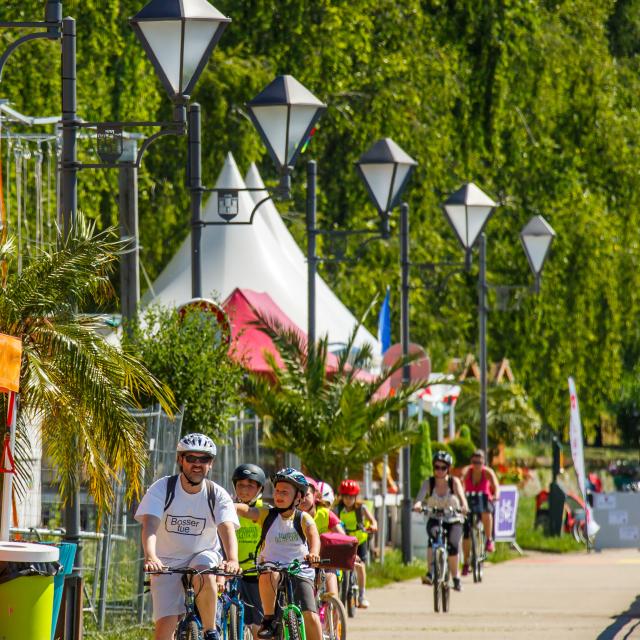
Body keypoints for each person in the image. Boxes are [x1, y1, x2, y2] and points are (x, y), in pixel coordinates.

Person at [136, 433, 241, 640]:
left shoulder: (216, 494)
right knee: (164, 630)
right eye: (191, 458)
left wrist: (233, 559)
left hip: (203, 555)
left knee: (204, 572)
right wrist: (151, 556)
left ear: (210, 464)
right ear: (180, 460)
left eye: (204, 459)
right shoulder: (163, 488)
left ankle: (210, 631)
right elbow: (150, 525)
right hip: (166, 562)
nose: (197, 464)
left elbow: (226, 527)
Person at [234, 468, 323, 640]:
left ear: (298, 497)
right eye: (276, 491)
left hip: (299, 569)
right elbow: (246, 510)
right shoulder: (268, 514)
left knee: (310, 615)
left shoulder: (303, 518)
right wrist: (228, 505)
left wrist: (313, 553)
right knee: (268, 574)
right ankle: (268, 619)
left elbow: (314, 536)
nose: (278, 495)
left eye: (285, 492)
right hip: (272, 567)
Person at [413, 451, 468, 592]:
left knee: (453, 544)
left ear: (448, 468)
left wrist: (464, 507)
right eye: (437, 467)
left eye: (443, 467)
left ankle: (456, 577)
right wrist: (418, 505)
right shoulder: (429, 483)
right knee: (433, 537)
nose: (439, 470)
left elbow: (462, 497)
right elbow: (419, 497)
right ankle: (431, 573)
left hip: (453, 518)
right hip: (435, 518)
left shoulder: (453, 482)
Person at [232, 463, 268, 639]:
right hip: (234, 571)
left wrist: (231, 507)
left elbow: (249, 512)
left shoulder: (265, 509)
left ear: (260, 488)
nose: (244, 490)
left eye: (250, 486)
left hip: (257, 574)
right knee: (236, 617)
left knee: (260, 623)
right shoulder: (228, 510)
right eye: (240, 485)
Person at [334, 479, 378, 608]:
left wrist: (373, 526)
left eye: (351, 497)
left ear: (355, 496)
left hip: (360, 541)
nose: (348, 499)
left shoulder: (361, 508)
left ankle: (362, 595)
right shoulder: (338, 509)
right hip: (344, 541)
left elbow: (373, 521)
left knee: (360, 565)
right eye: (345, 496)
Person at [299, 476, 344, 596]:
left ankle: (335, 611)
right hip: (303, 562)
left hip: (326, 560)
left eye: (306, 495)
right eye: (299, 495)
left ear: (315, 496)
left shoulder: (325, 513)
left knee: (332, 592)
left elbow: (342, 536)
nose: (302, 499)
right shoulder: (292, 515)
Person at [461, 449, 500, 576]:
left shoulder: (488, 472)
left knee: (486, 512)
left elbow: (496, 486)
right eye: (475, 461)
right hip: (470, 500)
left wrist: (496, 495)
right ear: (471, 461)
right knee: (466, 534)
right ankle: (466, 562)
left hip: (484, 499)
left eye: (480, 461)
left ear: (484, 461)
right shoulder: (467, 471)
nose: (477, 464)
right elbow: (461, 484)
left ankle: (489, 539)